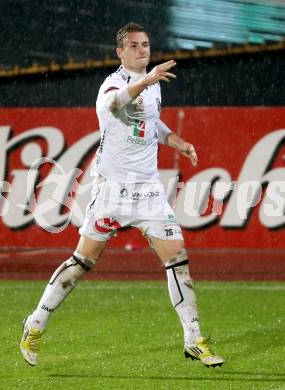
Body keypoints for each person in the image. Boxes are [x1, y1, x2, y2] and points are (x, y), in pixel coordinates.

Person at [20, 22, 224, 368]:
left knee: (178, 261)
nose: (141, 49)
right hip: (112, 190)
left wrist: (178, 140)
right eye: (133, 45)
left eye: (145, 44)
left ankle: (193, 339)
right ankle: (35, 323)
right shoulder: (113, 84)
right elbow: (114, 106)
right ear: (120, 52)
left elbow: (151, 122)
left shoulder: (154, 85)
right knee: (83, 262)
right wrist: (144, 82)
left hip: (148, 193)